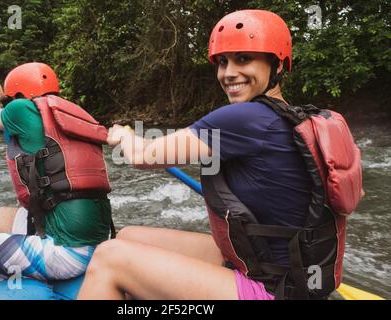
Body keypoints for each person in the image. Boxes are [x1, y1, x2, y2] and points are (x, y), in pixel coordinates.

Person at [77, 10, 362, 300]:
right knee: (129, 237)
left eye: (244, 59)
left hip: (273, 290)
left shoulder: (243, 119)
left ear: (277, 64)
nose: (228, 73)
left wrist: (124, 135)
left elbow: (144, 156)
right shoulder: (304, 121)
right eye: (223, 62)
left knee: (109, 257)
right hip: (292, 276)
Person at [0, 62, 113, 288]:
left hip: (66, 253)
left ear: (19, 93)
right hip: (95, 239)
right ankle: (3, 282)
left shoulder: (20, 108)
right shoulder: (75, 115)